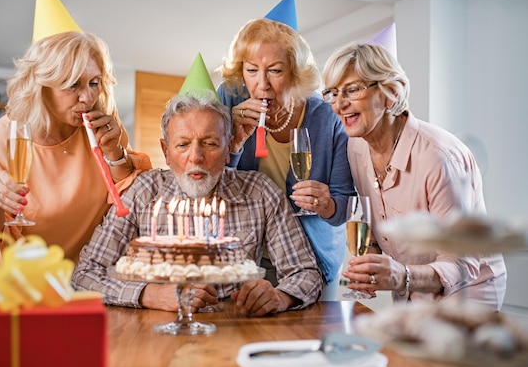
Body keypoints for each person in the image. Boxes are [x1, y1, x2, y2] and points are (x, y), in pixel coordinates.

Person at [72, 94, 322, 316]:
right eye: (182, 145)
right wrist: (150, 294)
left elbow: (306, 272)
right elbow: (85, 275)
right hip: (156, 329)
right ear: (166, 151)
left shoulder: (260, 192)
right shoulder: (143, 192)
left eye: (210, 143)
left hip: (234, 325)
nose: (196, 157)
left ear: (228, 149)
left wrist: (281, 297)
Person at [321, 41, 506, 310]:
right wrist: (371, 255)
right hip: (411, 290)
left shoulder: (438, 156)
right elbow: (375, 220)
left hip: (469, 294)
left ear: (391, 93)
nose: (339, 104)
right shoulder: (356, 146)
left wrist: (401, 276)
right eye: (333, 93)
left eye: (352, 90)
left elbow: (462, 262)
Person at [0, 31, 152, 264]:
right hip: (21, 282)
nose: (87, 97)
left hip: (88, 279)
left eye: (94, 83)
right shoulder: (4, 139)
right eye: (73, 85)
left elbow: (128, 202)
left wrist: (115, 153)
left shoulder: (102, 127)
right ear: (41, 87)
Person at [216, 18, 356, 300]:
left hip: (310, 257)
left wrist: (326, 204)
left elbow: (344, 207)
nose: (262, 84)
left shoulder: (327, 117)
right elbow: (212, 185)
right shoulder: (229, 100)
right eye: (252, 70)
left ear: (296, 74)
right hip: (243, 256)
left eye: (275, 71)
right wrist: (232, 143)